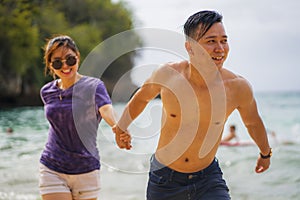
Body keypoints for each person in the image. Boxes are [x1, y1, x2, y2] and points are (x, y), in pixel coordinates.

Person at [113, 10, 272, 200]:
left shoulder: (237, 87)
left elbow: (253, 122)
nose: (220, 48)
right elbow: (142, 97)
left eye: (224, 40)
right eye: (211, 41)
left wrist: (265, 153)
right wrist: (121, 127)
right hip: (164, 180)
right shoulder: (168, 75)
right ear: (190, 48)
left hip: (208, 179)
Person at [39, 35, 131, 200]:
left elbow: (106, 109)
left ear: (78, 56)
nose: (65, 66)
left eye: (70, 59)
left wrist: (118, 127)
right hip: (52, 165)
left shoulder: (94, 86)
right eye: (58, 62)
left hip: (86, 168)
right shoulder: (46, 92)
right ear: (51, 65)